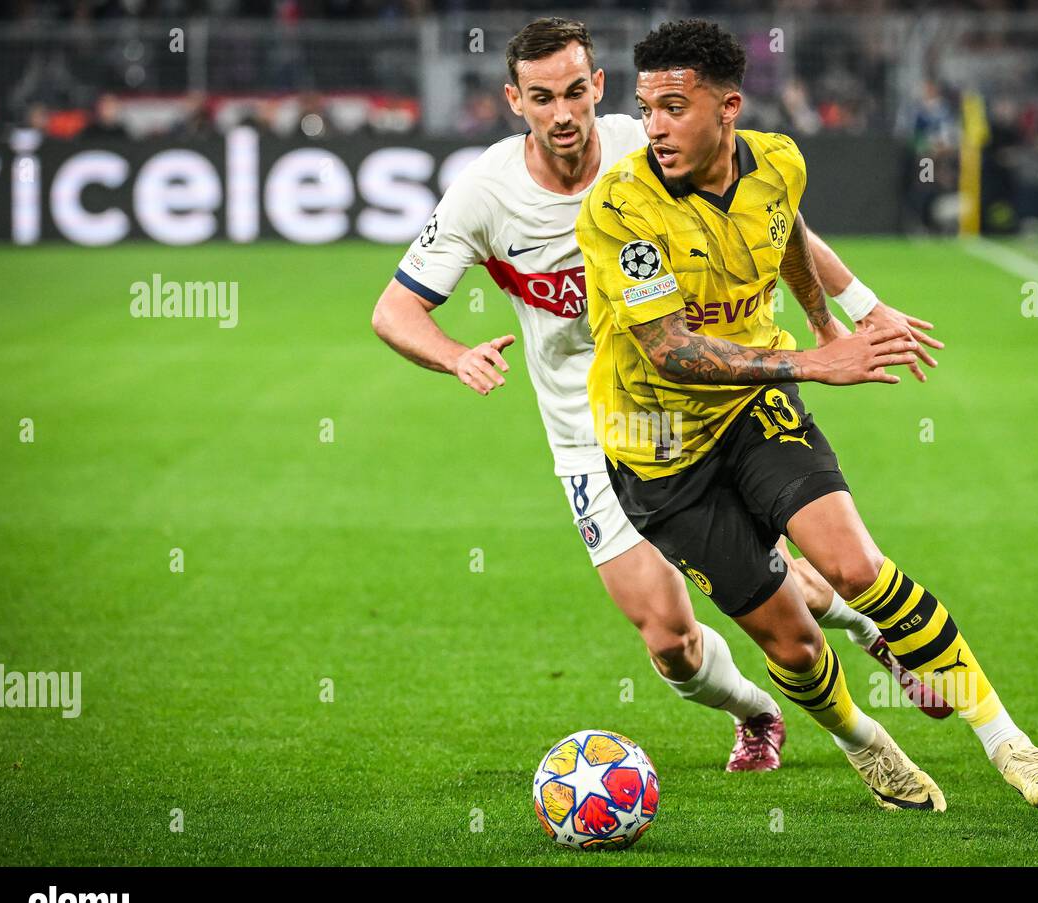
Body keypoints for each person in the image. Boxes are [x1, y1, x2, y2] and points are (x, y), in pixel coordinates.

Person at [370, 18, 943, 777]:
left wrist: (862, 304)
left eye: (576, 91)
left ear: (598, 86)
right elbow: (394, 311)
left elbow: (776, 215)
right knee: (668, 640)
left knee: (769, 576)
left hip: (702, 403)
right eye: (542, 97)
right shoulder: (486, 193)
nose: (563, 113)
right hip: (590, 434)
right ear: (515, 100)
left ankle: (873, 646)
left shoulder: (652, 143)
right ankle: (757, 710)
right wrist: (454, 355)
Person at [578, 18, 1038, 811]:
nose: (655, 127)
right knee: (794, 641)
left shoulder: (779, 161)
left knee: (853, 566)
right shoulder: (620, 209)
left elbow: (787, 238)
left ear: (728, 107)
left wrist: (827, 315)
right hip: (657, 447)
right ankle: (863, 741)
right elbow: (671, 350)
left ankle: (1009, 742)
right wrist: (818, 360)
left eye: (675, 106)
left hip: (754, 405)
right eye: (647, 109)